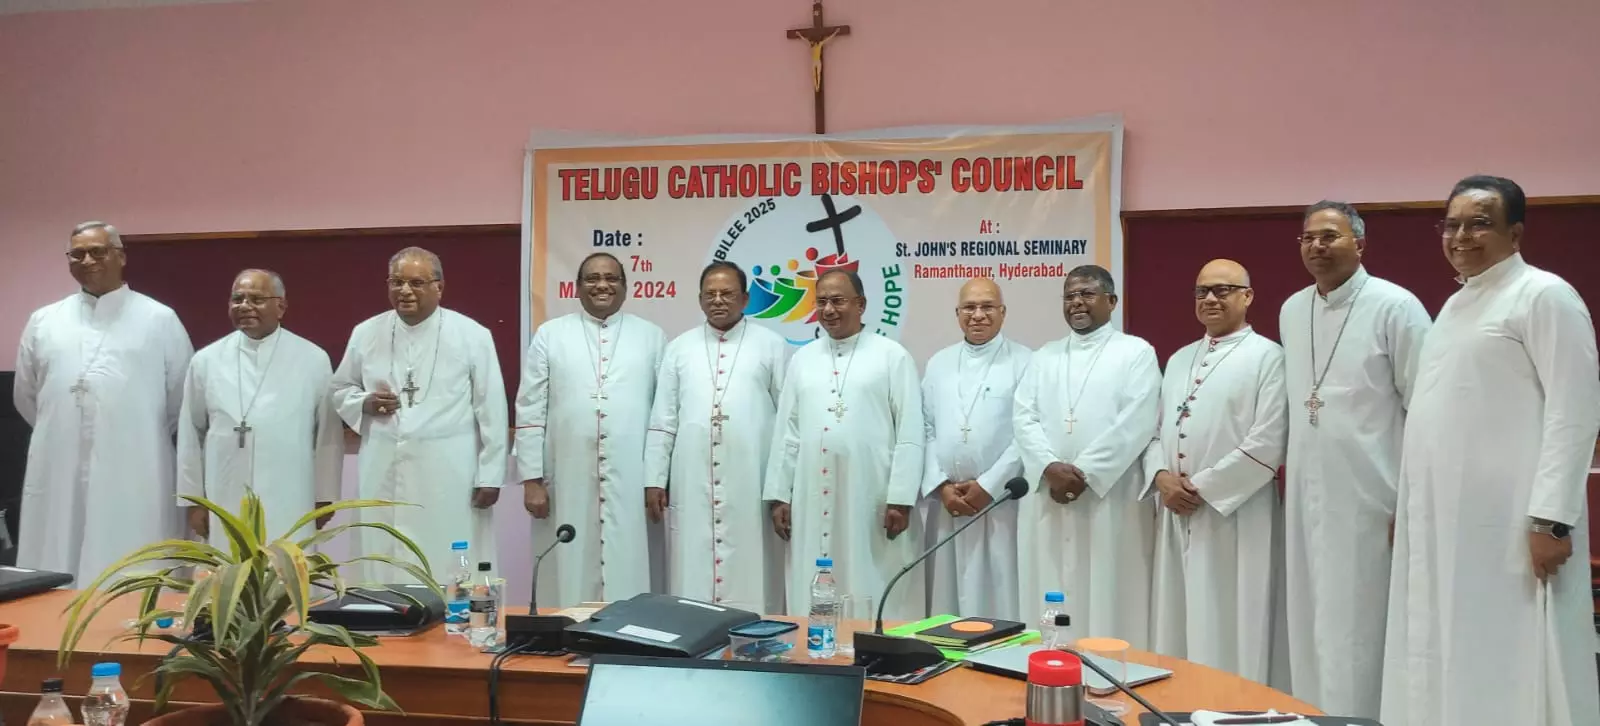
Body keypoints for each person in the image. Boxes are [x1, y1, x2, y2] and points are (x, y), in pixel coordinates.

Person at [1381, 176, 1600, 726]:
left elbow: (1575, 412)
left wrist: (1551, 520)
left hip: (1513, 525)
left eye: (1479, 223)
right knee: (1449, 644)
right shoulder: (1456, 304)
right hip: (1444, 522)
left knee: (1514, 649)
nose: (1461, 236)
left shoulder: (1544, 294)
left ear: (1516, 232)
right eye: (1451, 224)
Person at [1279, 202, 1431, 718]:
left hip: (1374, 498)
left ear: (1360, 244)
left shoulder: (1396, 307)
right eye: (1308, 238)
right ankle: (1314, 712)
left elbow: (1427, 411)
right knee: (1309, 616)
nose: (1317, 246)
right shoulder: (1292, 309)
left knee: (1363, 624)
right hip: (1305, 493)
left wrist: (1412, 501)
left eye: (1330, 236)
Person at [13, 221, 193, 581]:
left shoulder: (159, 319)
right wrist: (67, 427)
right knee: (55, 562)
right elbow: (27, 395)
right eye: (77, 253)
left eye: (99, 251)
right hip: (58, 463)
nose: (88, 260)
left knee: (131, 563)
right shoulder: (44, 321)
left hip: (135, 465)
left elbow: (181, 399)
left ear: (121, 257)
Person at [1144, 259, 1289, 687]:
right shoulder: (1179, 358)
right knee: (1177, 624)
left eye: (1223, 290)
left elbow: (1269, 439)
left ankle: (1233, 706)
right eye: (1202, 291)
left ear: (1247, 297)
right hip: (1175, 511)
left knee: (1232, 618)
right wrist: (1162, 479)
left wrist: (1202, 488)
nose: (1210, 298)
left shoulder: (1269, 357)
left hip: (1235, 515)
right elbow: (1153, 433)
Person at [331, 247, 507, 584]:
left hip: (448, 470)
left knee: (448, 552)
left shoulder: (472, 335)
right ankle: (384, 620)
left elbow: (492, 408)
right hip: (383, 462)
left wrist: (491, 475)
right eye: (396, 282)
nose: (405, 291)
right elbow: (340, 389)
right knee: (383, 549)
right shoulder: (366, 332)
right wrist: (365, 402)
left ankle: (449, 622)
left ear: (439, 287)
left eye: (416, 282)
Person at [764, 270, 926, 620]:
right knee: (813, 573)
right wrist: (779, 494)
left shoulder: (892, 356)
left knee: (868, 572)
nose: (829, 310)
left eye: (838, 300)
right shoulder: (802, 359)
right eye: (821, 301)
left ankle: (870, 649)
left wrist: (900, 497)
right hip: (810, 494)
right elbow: (787, 430)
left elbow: (911, 431)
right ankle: (815, 650)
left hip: (870, 493)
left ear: (861, 304)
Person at [1013, 265, 1160, 643]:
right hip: (1050, 496)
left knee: (1109, 592)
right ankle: (1048, 668)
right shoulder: (1043, 356)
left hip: (1108, 498)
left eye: (1086, 294)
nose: (1076, 302)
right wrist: (1049, 467)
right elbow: (1023, 417)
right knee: (1048, 590)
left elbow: (1137, 422)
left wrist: (1084, 475)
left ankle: (1109, 673)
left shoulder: (1136, 352)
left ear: (1111, 301)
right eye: (1069, 296)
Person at [515, 252, 666, 605]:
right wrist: (531, 479)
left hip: (633, 477)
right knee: (567, 561)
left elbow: (663, 416)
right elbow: (530, 407)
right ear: (577, 287)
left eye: (612, 278)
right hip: (565, 475)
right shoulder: (550, 335)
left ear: (626, 287)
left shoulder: (652, 337)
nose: (602, 285)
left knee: (632, 563)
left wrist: (658, 479)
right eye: (592, 278)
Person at [643, 262, 789, 612]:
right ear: (699, 300)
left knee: (753, 561)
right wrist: (654, 479)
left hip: (753, 477)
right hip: (691, 478)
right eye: (710, 295)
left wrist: (784, 488)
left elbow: (789, 421)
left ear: (745, 299)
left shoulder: (772, 345)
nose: (718, 301)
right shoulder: (679, 348)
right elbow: (663, 418)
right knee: (692, 560)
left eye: (727, 294)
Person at [177, 270, 344, 547]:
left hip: (290, 492)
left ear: (281, 306)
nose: (245, 306)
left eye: (256, 299)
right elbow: (190, 432)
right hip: (224, 490)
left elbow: (328, 433)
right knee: (229, 574)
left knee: (286, 571)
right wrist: (192, 500)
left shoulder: (312, 359)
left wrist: (325, 496)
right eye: (237, 299)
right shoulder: (205, 360)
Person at [922, 278, 1031, 621]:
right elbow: (924, 428)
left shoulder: (1026, 361)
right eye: (969, 308)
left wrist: (989, 486)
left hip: (1000, 505)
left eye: (987, 307)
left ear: (1003, 312)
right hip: (949, 505)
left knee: (1002, 600)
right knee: (946, 604)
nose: (978, 315)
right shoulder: (939, 363)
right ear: (957, 314)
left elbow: (1027, 433)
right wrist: (940, 487)